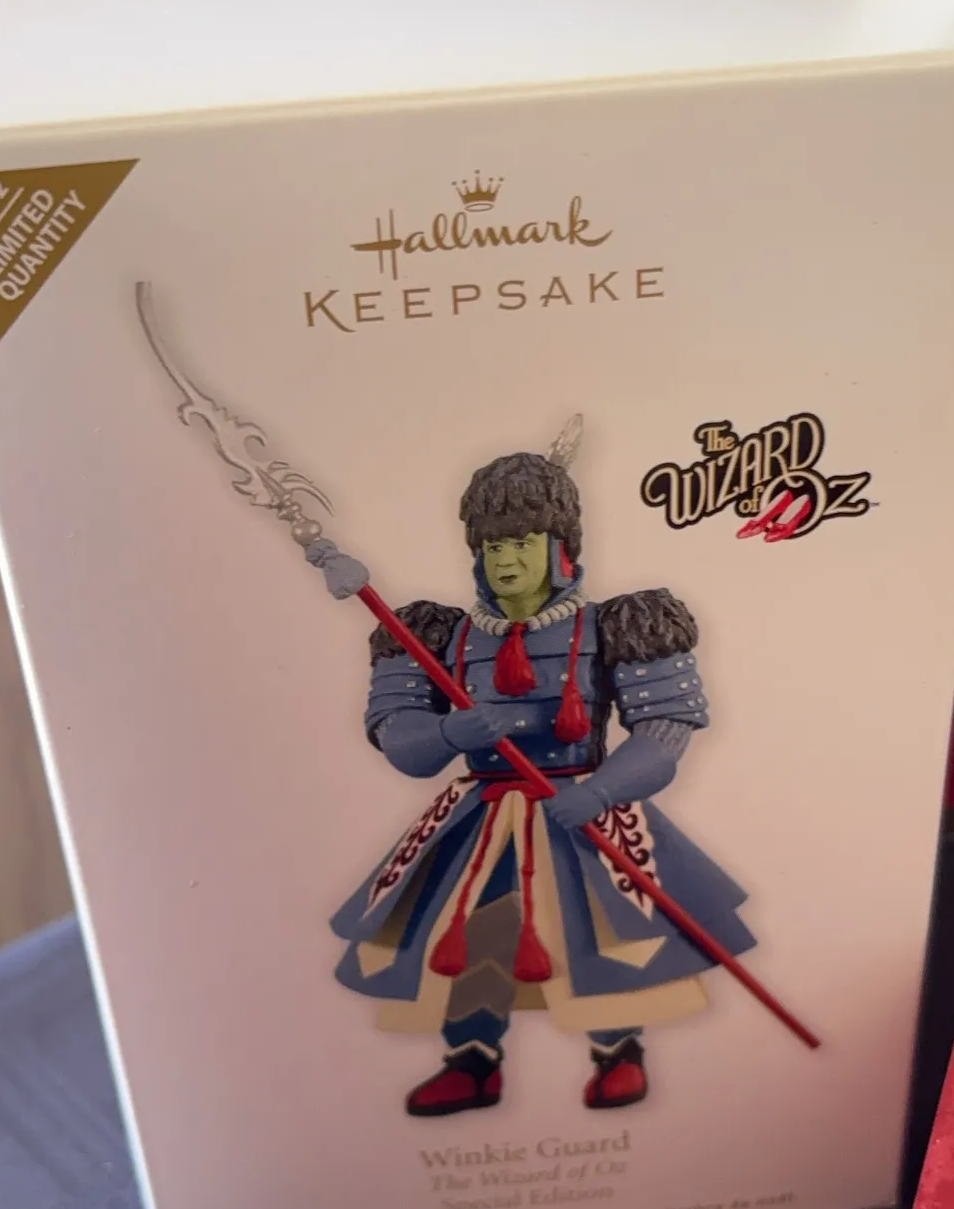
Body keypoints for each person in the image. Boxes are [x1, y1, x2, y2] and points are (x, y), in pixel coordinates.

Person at [309, 428, 754, 1118]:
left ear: (559, 547)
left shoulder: (622, 623)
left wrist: (602, 790)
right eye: (493, 546)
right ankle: (472, 1060)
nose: (507, 559)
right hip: (479, 815)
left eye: (521, 541)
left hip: (583, 799)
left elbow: (664, 732)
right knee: (470, 931)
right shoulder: (434, 635)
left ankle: (617, 1050)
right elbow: (400, 740)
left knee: (600, 927)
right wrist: (447, 732)